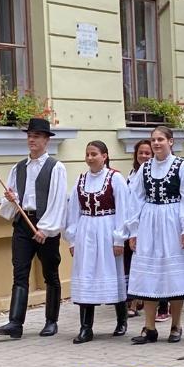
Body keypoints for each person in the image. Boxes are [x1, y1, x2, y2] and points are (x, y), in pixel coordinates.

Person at [126, 126, 184, 345]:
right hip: (149, 224)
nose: (156, 143)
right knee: (148, 275)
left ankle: (176, 325)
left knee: (175, 276)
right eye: (153, 140)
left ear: (170, 142)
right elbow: (135, 200)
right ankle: (150, 327)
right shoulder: (144, 168)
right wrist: (133, 231)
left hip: (173, 221)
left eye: (160, 139)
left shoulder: (181, 167)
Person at [0, 118, 68, 339]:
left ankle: (51, 321)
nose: (31, 140)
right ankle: (15, 323)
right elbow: (12, 199)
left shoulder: (56, 168)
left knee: (50, 273)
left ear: (46, 140)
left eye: (36, 136)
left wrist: (47, 228)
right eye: (29, 136)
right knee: (20, 272)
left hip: (45, 225)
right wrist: (11, 198)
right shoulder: (18, 168)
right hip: (23, 224)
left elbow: (58, 200)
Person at [64, 141, 131, 343]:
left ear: (104, 156)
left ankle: (121, 319)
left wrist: (120, 238)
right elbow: (73, 210)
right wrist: (72, 239)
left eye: (94, 154)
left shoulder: (115, 178)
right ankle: (86, 327)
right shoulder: (81, 179)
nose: (90, 158)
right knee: (86, 273)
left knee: (112, 271)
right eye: (87, 154)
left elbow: (123, 209)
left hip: (107, 228)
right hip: (86, 229)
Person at [125, 140, 152, 319]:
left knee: (147, 263)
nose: (143, 156)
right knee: (133, 264)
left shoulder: (155, 173)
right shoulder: (132, 174)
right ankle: (133, 301)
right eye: (140, 152)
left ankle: (146, 301)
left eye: (147, 153)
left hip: (149, 223)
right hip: (133, 224)